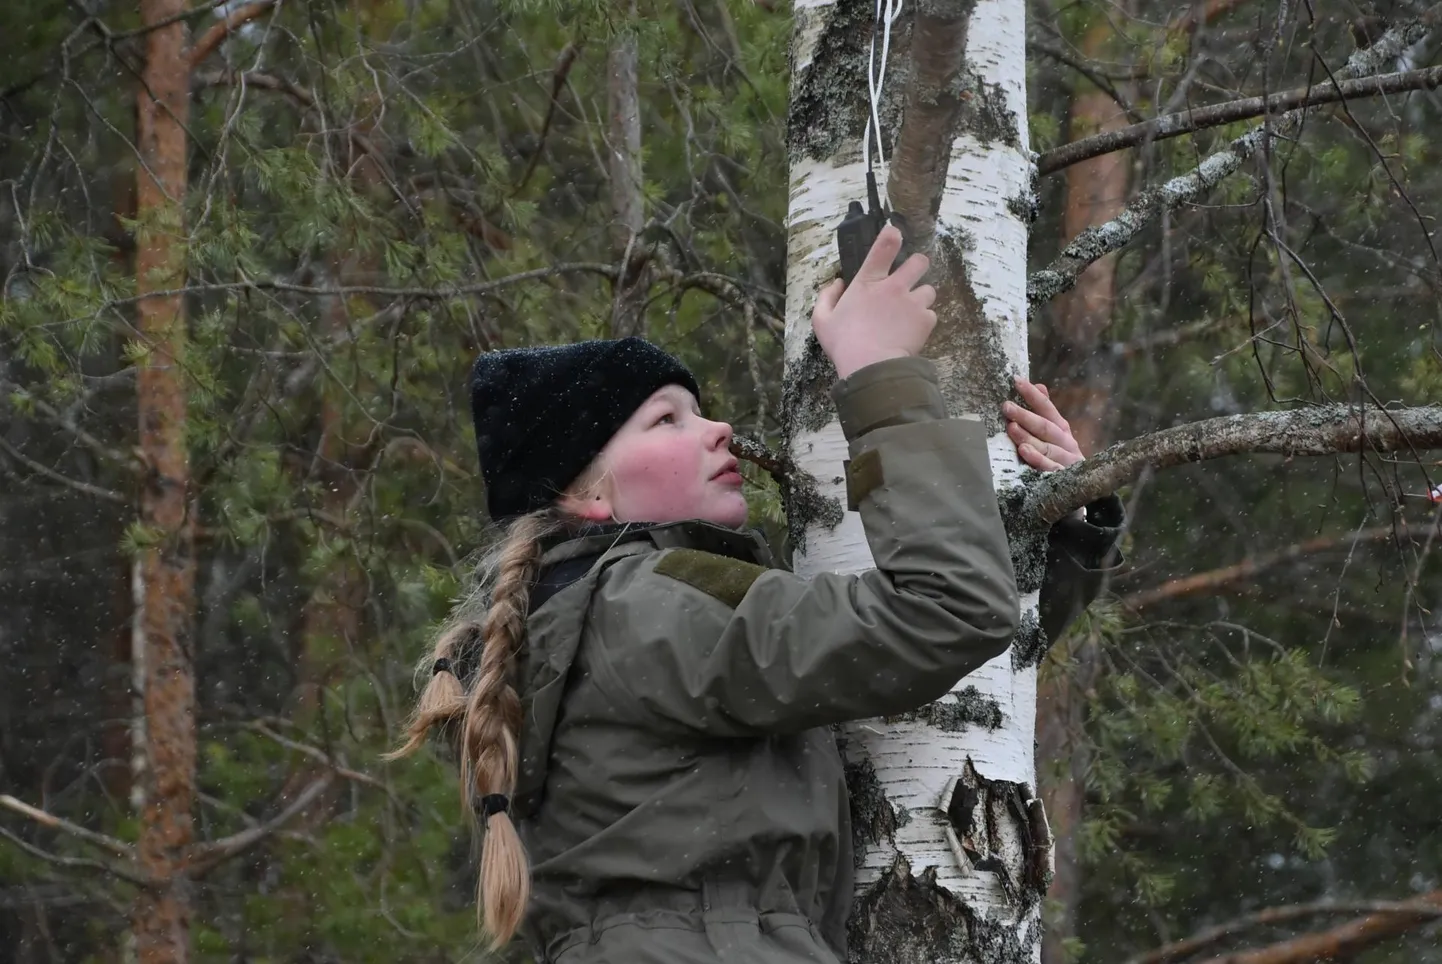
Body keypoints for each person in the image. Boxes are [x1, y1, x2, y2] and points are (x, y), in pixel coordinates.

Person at [390, 226, 1124, 963]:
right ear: (587, 495)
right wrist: (881, 376)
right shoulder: (650, 608)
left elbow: (911, 667)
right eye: (667, 419)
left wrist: (1063, 530)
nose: (720, 431)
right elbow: (945, 613)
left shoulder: (598, 622)